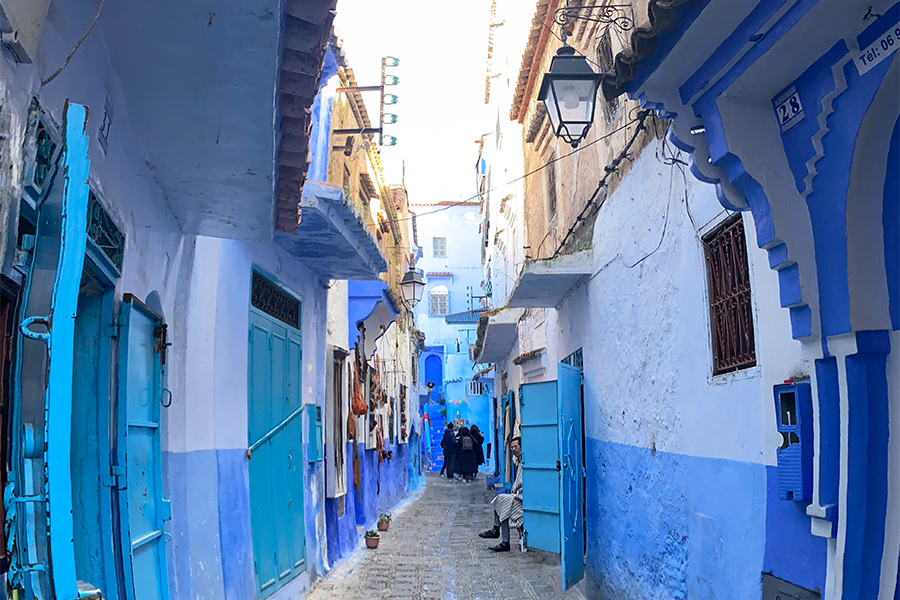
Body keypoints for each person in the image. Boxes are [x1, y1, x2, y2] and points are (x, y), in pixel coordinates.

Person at [479, 437, 523, 552]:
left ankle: (498, 533)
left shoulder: (525, 462)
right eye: (512, 447)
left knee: (501, 501)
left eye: (515, 447)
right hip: (517, 495)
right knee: (501, 501)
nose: (513, 449)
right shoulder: (520, 461)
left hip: (521, 498)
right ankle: (501, 537)